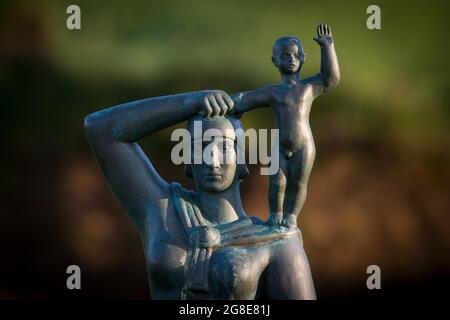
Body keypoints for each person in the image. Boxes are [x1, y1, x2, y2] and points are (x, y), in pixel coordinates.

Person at [84, 90, 316, 299]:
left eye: (224, 148)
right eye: (199, 147)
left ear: (242, 157)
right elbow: (101, 129)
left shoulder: (276, 243)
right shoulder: (163, 210)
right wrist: (188, 103)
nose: (211, 161)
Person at [231, 24, 340, 229]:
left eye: (295, 55)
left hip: (304, 145)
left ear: (303, 57)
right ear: (275, 61)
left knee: (298, 183)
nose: (291, 59)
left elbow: (331, 79)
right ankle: (275, 214)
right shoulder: (274, 92)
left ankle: (291, 215)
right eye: (285, 55)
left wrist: (327, 47)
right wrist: (229, 103)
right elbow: (247, 98)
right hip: (279, 146)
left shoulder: (308, 88)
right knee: (277, 183)